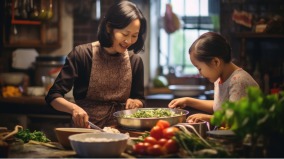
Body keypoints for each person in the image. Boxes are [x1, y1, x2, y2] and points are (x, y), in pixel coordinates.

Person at [45, 1, 147, 128]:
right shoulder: (81, 55)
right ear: (109, 28)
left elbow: (140, 99)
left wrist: (136, 103)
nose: (129, 41)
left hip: (122, 133)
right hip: (85, 132)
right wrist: (74, 109)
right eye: (125, 34)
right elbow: (53, 96)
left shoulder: (135, 61)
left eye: (134, 36)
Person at [168, 32, 259, 123]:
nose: (199, 73)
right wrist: (188, 101)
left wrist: (208, 118)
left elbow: (234, 120)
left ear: (215, 62)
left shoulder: (238, 81)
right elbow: (219, 106)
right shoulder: (220, 78)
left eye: (199, 68)